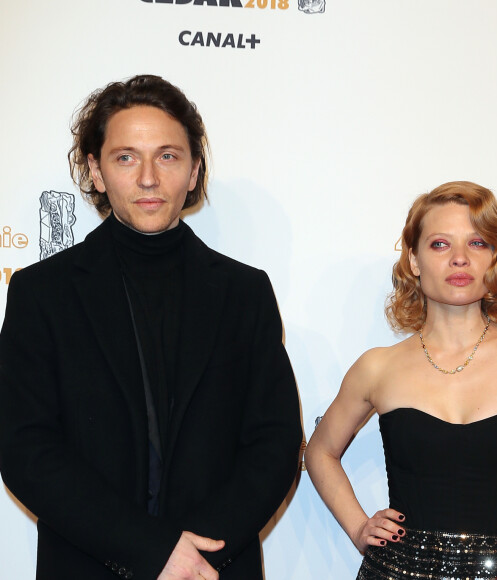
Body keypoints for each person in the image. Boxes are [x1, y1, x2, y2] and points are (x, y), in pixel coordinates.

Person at [0, 74, 302, 580]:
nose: (147, 178)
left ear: (192, 171)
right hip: (88, 564)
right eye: (125, 157)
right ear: (95, 171)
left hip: (213, 569)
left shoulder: (244, 292)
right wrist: (153, 549)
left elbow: (274, 445)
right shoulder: (41, 292)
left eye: (167, 156)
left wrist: (195, 554)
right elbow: (25, 448)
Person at [305, 181, 497, 579]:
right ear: (413, 260)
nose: (460, 259)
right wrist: (360, 527)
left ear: (496, 256)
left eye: (478, 243)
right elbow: (319, 453)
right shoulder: (378, 367)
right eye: (440, 244)